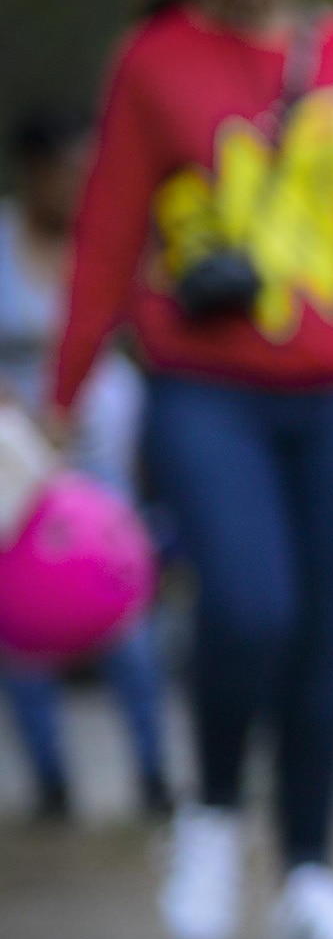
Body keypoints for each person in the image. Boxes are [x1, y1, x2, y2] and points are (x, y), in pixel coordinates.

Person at [54, 0, 333, 939]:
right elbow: (106, 235)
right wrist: (62, 394)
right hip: (208, 387)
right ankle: (208, 820)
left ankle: (306, 871)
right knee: (248, 605)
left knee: (319, 629)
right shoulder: (153, 58)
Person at [0, 108, 170, 821]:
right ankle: (51, 777)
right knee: (19, 619)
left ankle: (155, 775)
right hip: (14, 464)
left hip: (99, 464)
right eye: (64, 172)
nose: (76, 186)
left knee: (123, 612)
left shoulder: (111, 241)